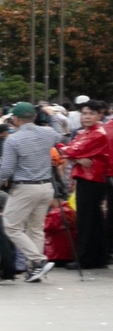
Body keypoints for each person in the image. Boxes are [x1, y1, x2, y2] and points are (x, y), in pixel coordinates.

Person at [0, 101, 62, 283]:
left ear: (16, 119)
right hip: (46, 186)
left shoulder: (13, 139)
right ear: (34, 116)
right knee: (35, 229)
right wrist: (52, 115)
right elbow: (61, 135)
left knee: (11, 226)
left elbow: (7, 168)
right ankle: (35, 270)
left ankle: (38, 261)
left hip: (25, 187)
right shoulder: (48, 133)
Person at [64, 101, 110, 271]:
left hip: (91, 179)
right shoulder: (84, 133)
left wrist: (74, 155)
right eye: (84, 113)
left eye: (91, 113)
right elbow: (71, 150)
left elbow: (69, 150)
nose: (87, 117)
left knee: (86, 221)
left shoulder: (97, 134)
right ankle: (97, 257)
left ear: (99, 115)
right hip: (87, 178)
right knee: (93, 220)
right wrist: (76, 157)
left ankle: (85, 259)